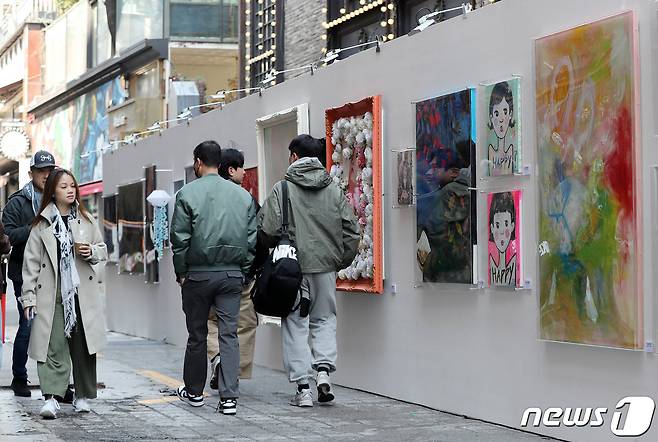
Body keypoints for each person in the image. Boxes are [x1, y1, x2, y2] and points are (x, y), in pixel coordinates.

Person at [259, 134, 359, 407]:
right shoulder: (333, 189)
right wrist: (339, 261)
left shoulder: (283, 189)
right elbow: (352, 231)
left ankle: (303, 388)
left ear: (294, 157)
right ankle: (324, 373)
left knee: (295, 323)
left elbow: (266, 229)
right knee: (324, 319)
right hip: (325, 268)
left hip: (292, 269)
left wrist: (272, 249)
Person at [171, 141, 257, 415]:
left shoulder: (186, 194)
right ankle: (229, 398)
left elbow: (180, 240)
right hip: (231, 274)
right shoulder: (242, 196)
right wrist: (243, 270)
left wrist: (182, 272)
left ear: (198, 162)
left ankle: (195, 393)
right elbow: (251, 239)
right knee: (229, 334)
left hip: (197, 275)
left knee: (197, 333)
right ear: (220, 164)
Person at [21, 168, 108, 419]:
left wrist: (90, 251)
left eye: (72, 186)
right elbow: (31, 264)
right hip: (52, 293)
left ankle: (81, 395)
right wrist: (28, 298)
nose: (70, 190)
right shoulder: (42, 224)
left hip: (80, 292)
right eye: (64, 187)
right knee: (52, 345)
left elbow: (102, 249)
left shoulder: (85, 218)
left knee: (83, 346)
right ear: (53, 192)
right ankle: (51, 397)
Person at [2, 150, 62, 398]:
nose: (46, 175)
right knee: (29, 324)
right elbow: (7, 236)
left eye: (50, 171)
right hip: (24, 273)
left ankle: (59, 383)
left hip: (56, 272)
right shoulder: (18, 201)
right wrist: (35, 229)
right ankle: (19, 378)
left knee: (58, 327)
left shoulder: (60, 197)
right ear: (32, 173)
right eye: (41, 171)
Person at [207, 148, 266, 388]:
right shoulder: (245, 200)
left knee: (210, 321)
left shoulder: (203, 196)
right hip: (240, 274)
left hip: (207, 272)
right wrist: (252, 268)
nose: (244, 172)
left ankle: (217, 358)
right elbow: (259, 237)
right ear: (231, 170)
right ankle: (232, 372)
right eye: (241, 167)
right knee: (243, 324)